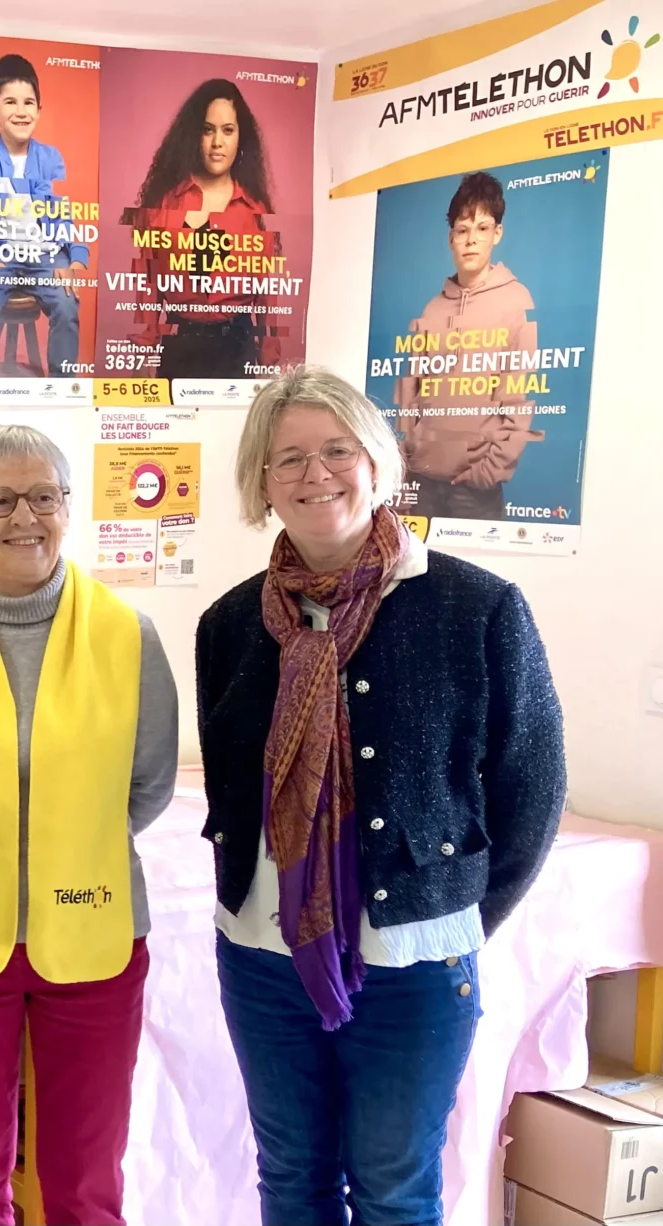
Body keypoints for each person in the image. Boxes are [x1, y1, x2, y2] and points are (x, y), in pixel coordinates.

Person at [197, 366, 564, 1225]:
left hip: (415, 965)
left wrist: (450, 909)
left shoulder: (476, 608)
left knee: (395, 1191)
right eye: (289, 458)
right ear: (262, 481)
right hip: (261, 957)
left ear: (377, 460)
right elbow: (231, 784)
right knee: (292, 1180)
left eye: (337, 450)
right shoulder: (231, 623)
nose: (316, 474)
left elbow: (533, 789)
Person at [0, 424, 178, 1226]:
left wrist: (68, 849)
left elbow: (148, 785)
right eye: (0, 501)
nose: (25, 517)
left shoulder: (129, 637)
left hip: (95, 933)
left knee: (85, 1182)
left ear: (68, 507)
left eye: (43, 497)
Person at [393, 172, 541, 522]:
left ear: (497, 234)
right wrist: (406, 463)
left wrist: (486, 474)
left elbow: (519, 400)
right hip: (421, 482)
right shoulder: (432, 309)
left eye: (482, 228)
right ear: (451, 239)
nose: (471, 240)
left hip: (475, 490)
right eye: (462, 230)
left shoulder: (516, 302)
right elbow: (410, 394)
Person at [0, 54, 87, 378]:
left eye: (28, 102)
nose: (21, 111)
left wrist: (72, 256)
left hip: (44, 255)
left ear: (39, 109)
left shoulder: (50, 157)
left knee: (67, 302)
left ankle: (63, 386)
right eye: (10, 102)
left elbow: (61, 213)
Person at [129, 79, 277, 380]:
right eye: (208, 130)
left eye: (228, 130)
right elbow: (148, 285)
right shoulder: (165, 204)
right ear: (194, 134)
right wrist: (143, 354)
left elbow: (268, 294)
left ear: (241, 137)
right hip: (180, 344)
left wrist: (270, 360)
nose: (217, 142)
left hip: (237, 347)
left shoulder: (255, 209)